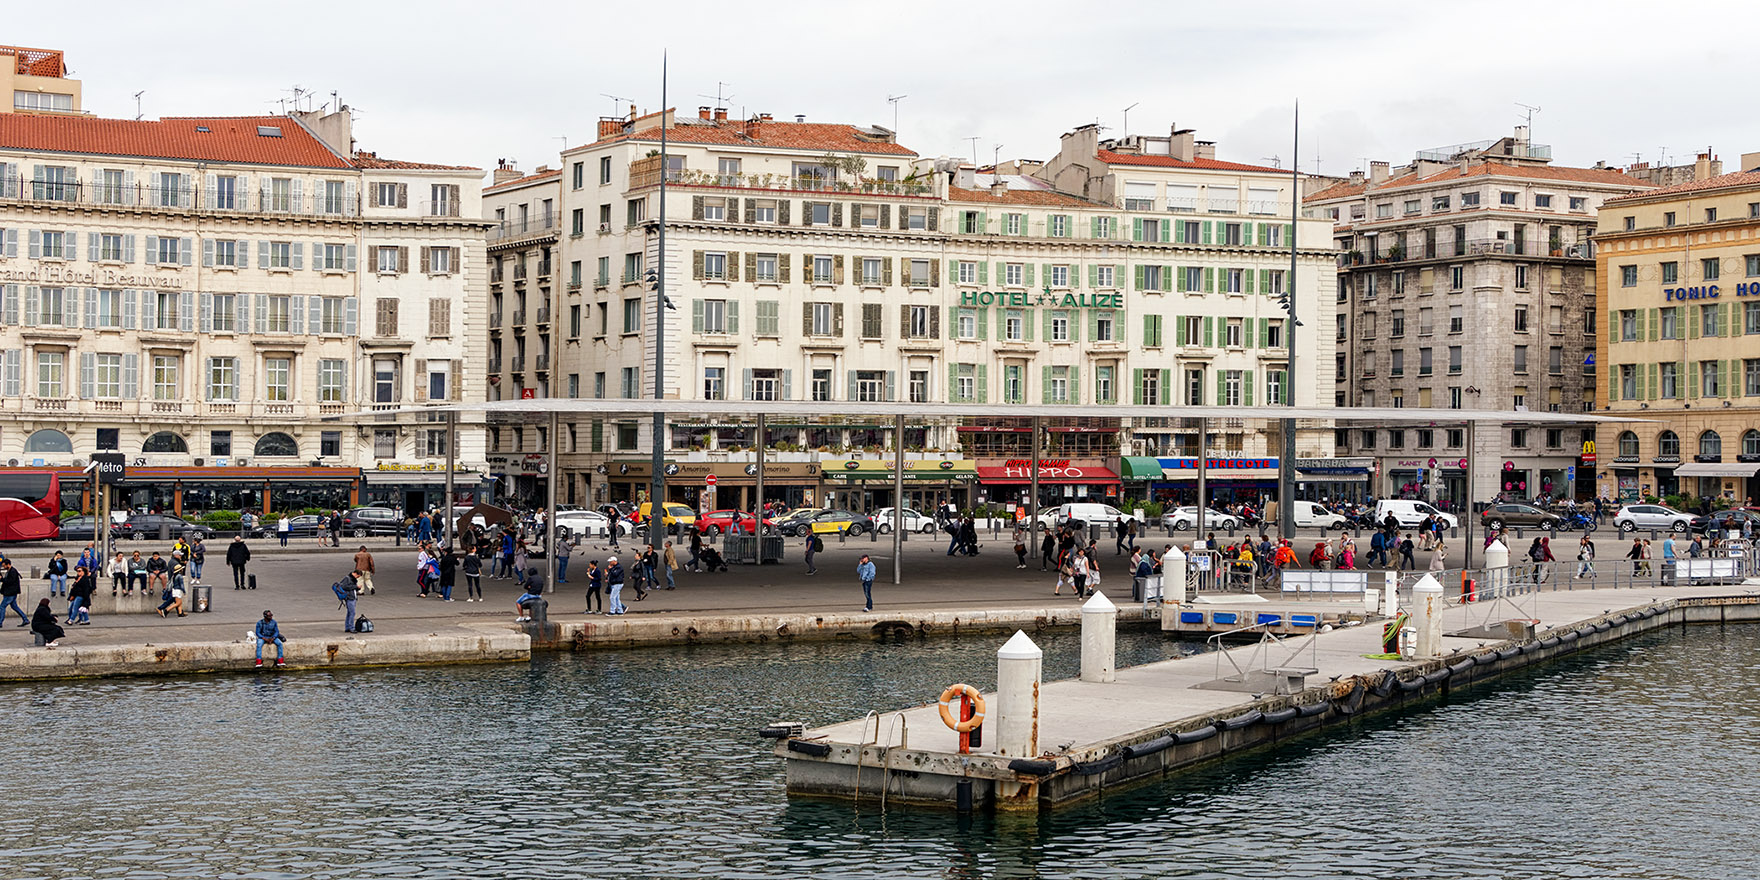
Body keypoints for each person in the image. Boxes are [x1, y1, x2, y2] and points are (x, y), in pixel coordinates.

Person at [0, 559, 26, 627]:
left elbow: (10, 582)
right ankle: (25, 619)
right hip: (11, 592)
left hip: (10, 593)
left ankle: (0, 622)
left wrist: (1, 579)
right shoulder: (10, 571)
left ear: (8, 564)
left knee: (2, 607)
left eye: (4, 566)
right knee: (14, 607)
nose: (3, 567)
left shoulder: (12, 572)